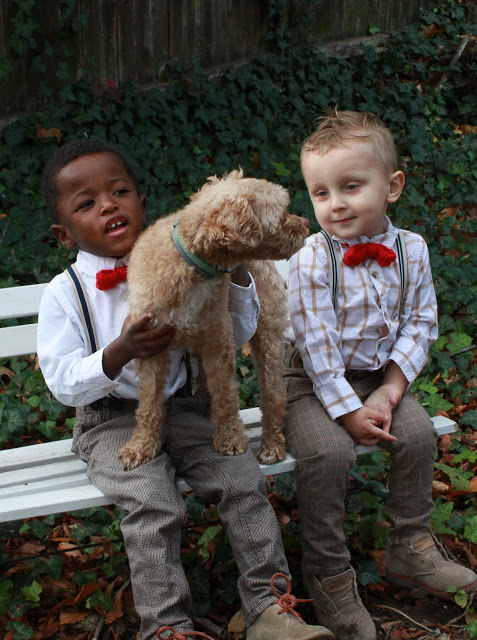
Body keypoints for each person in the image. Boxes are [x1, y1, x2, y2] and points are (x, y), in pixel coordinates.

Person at [37, 138, 335, 640]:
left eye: (119, 191)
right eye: (86, 203)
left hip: (186, 408)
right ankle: (167, 626)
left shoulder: (189, 259)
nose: (108, 204)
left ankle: (269, 608)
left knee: (242, 480)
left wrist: (236, 274)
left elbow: (232, 337)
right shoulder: (65, 293)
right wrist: (118, 351)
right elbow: (62, 381)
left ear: (142, 202)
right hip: (110, 420)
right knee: (153, 500)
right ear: (64, 234)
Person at [283, 110, 477, 640]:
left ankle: (408, 547)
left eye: (350, 186)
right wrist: (347, 411)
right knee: (331, 452)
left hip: (378, 375)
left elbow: (420, 321)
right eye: (320, 193)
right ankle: (327, 574)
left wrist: (392, 388)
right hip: (308, 382)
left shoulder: (412, 249)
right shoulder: (310, 259)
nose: (335, 203)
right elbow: (317, 345)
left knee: (416, 434)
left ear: (391, 187)